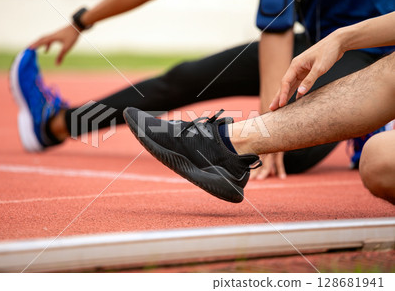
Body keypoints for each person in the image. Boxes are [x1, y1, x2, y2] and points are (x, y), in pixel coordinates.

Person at [9, 0, 395, 179]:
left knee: (279, 155)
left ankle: (370, 123)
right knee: (184, 79)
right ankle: (53, 124)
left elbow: (277, 27)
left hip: (370, 52)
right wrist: (79, 23)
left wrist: (268, 133)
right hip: (316, 42)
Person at [123, 12, 395, 204]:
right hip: (325, 39)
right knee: (185, 77)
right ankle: (81, 117)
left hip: (374, 52)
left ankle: (230, 143)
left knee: (299, 157)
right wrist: (343, 38)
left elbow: (278, 16)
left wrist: (271, 116)